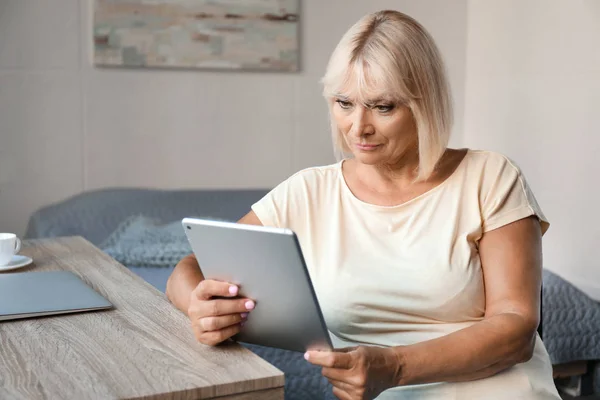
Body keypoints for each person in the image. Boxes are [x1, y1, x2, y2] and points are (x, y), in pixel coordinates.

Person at [166, 9, 561, 400]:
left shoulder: (490, 177)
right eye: (344, 103)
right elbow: (190, 266)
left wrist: (395, 367)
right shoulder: (308, 193)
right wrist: (198, 306)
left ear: (425, 104)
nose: (359, 127)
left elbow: (516, 328)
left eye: (383, 106)